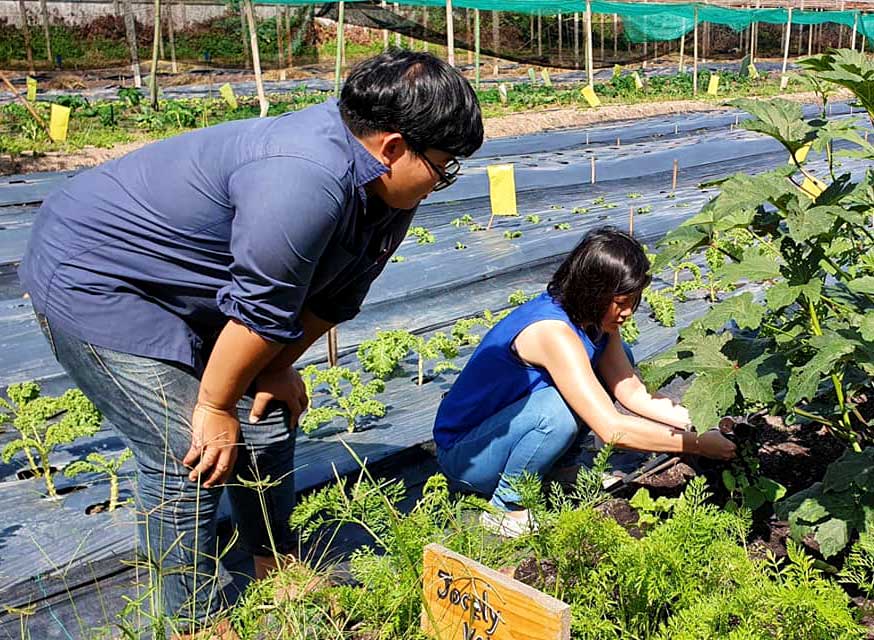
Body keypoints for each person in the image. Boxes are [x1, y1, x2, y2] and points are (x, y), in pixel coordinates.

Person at [19, 50, 483, 637]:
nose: (445, 181)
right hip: (101, 277)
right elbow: (263, 310)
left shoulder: (390, 192)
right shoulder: (305, 178)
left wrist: (275, 369)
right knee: (182, 447)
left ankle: (275, 565)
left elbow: (332, 299)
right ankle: (191, 620)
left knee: (265, 415)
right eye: (444, 166)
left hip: (206, 288)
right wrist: (213, 406)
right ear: (392, 146)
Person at [433, 227, 736, 537]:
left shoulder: (595, 319)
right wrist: (697, 445)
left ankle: (560, 468)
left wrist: (698, 421)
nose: (629, 312)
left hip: (506, 433)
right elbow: (611, 428)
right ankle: (507, 507)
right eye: (621, 302)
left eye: (634, 300)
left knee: (612, 362)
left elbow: (631, 391)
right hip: (467, 456)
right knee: (555, 414)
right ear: (593, 292)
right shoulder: (553, 333)